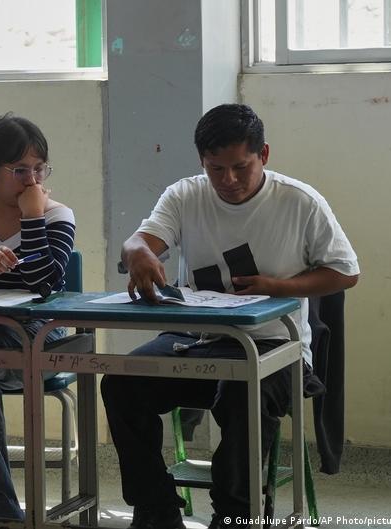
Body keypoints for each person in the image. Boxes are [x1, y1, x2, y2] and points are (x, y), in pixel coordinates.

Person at [102, 104, 359, 529]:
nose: (229, 181)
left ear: (265, 155)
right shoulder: (185, 195)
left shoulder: (299, 202)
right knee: (122, 384)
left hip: (278, 346)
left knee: (241, 391)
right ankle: (155, 506)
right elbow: (139, 241)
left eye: (242, 167)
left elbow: (346, 272)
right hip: (197, 339)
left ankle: (236, 513)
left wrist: (278, 287)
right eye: (215, 169)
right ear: (202, 161)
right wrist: (139, 253)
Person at [0, 113, 76, 520]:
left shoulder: (57, 214)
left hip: (37, 333)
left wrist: (33, 217)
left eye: (39, 168)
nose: (32, 179)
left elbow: (45, 281)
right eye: (19, 170)